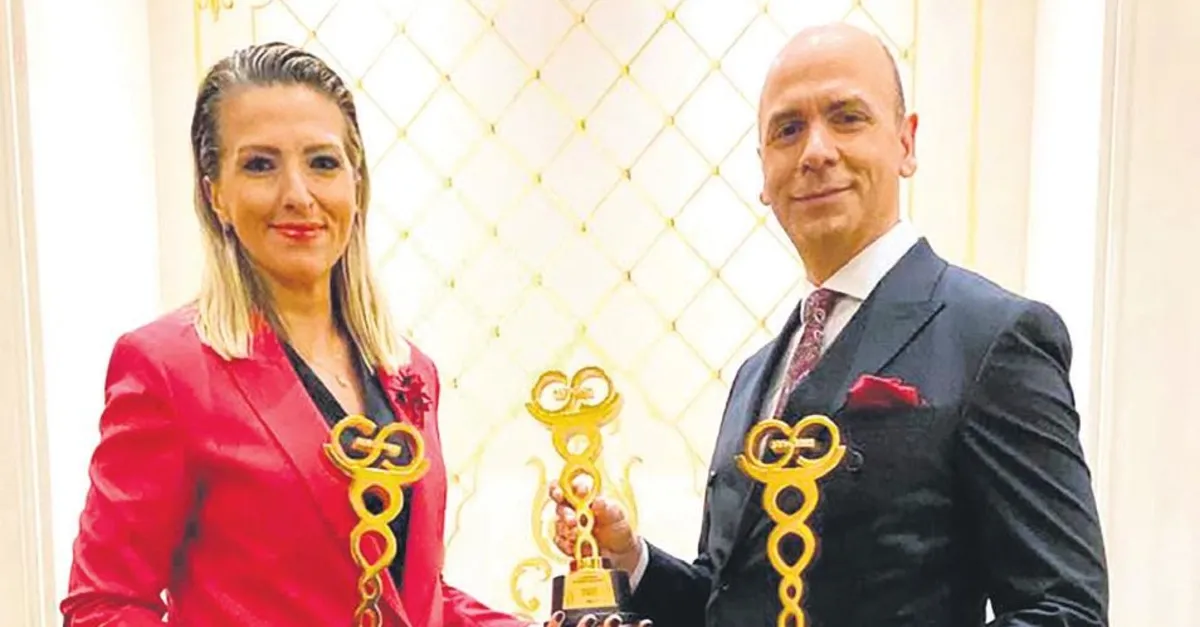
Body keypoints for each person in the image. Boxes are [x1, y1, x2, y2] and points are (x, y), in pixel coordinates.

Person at [551, 22, 1109, 627]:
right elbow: (734, 601)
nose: (815, 151)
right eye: (788, 130)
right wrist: (631, 561)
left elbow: (1065, 610)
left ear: (906, 142)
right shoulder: (756, 375)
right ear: (763, 171)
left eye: (847, 118)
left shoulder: (994, 340)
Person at [58, 41, 630, 627]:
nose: (298, 194)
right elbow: (103, 607)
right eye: (260, 165)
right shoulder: (166, 368)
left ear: (357, 185)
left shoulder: (409, 371)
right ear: (215, 194)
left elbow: (416, 598)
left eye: (323, 163)